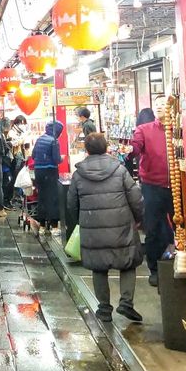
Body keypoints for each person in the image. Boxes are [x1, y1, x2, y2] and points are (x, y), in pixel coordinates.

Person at [68, 133, 144, 323]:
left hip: (92, 226)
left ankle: (104, 308)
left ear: (86, 150)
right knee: (127, 262)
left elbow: (71, 204)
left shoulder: (78, 174)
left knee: (98, 266)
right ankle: (126, 302)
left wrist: (81, 220)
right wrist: (138, 219)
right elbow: (136, 198)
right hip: (121, 225)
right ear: (106, 148)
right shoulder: (119, 170)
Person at [130, 97, 173, 286]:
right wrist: (129, 149)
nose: (161, 108)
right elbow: (135, 147)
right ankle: (155, 269)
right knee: (153, 228)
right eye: (158, 105)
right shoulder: (144, 130)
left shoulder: (179, 129)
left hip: (177, 186)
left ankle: (181, 263)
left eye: (165, 104)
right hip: (152, 186)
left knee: (182, 226)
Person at [31, 120, 64, 235]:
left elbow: (33, 155)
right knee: (53, 198)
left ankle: (42, 226)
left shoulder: (40, 139)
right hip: (50, 171)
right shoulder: (54, 141)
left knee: (42, 197)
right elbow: (56, 159)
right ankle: (54, 227)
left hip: (38, 171)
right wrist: (62, 159)